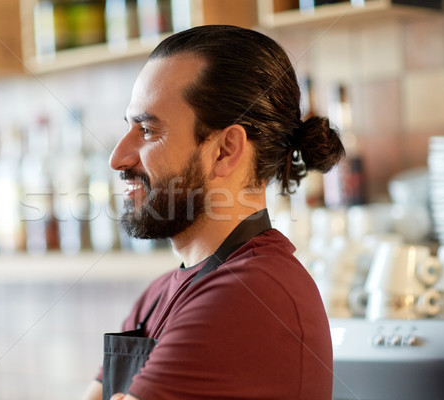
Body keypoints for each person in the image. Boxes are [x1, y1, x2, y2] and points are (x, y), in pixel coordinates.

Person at [83, 25, 345, 400]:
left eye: (147, 130)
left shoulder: (250, 296)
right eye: (130, 127)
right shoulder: (157, 297)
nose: (117, 158)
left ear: (225, 150)